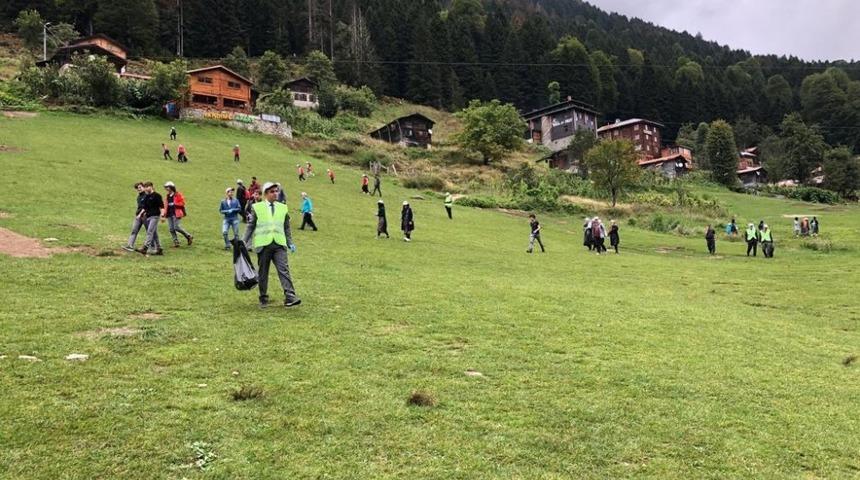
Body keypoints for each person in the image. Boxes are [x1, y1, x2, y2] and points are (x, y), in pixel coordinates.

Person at [242, 182, 301, 308]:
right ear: (266, 194)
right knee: (263, 272)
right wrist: (243, 242)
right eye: (272, 191)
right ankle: (263, 297)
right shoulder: (257, 207)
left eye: (277, 191)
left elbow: (286, 227)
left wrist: (290, 242)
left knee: (284, 269)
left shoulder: (283, 207)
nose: (276, 193)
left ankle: (290, 296)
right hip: (263, 245)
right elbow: (250, 226)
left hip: (279, 244)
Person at [137, 181, 164, 256]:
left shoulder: (157, 195)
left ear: (151, 187)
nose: (145, 189)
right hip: (148, 217)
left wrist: (162, 216)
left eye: (147, 187)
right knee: (154, 233)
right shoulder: (146, 197)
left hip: (155, 216)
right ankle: (159, 249)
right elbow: (145, 208)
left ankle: (145, 248)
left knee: (150, 231)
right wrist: (141, 214)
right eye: (145, 187)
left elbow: (161, 206)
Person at [163, 181, 193, 247]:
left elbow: (182, 203)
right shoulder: (167, 196)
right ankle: (176, 242)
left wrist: (175, 204)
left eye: (167, 187)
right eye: (166, 187)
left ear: (171, 187)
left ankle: (188, 236)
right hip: (169, 214)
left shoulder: (177, 194)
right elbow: (165, 205)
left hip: (176, 213)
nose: (166, 189)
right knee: (171, 229)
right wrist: (164, 213)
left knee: (176, 227)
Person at [123, 182, 147, 252]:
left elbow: (146, 207)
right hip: (138, 216)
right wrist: (137, 214)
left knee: (149, 232)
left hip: (145, 216)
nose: (138, 189)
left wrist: (140, 214)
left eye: (140, 187)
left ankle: (154, 246)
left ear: (143, 187)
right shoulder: (139, 197)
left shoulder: (146, 196)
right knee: (134, 230)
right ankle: (130, 245)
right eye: (137, 188)